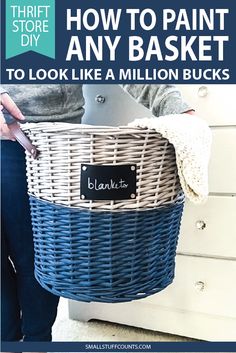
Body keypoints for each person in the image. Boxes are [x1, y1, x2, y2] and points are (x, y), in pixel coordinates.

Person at [0, 84, 194, 341]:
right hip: (13, 134)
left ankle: (37, 340)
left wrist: (176, 107)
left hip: (48, 143)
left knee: (39, 257)